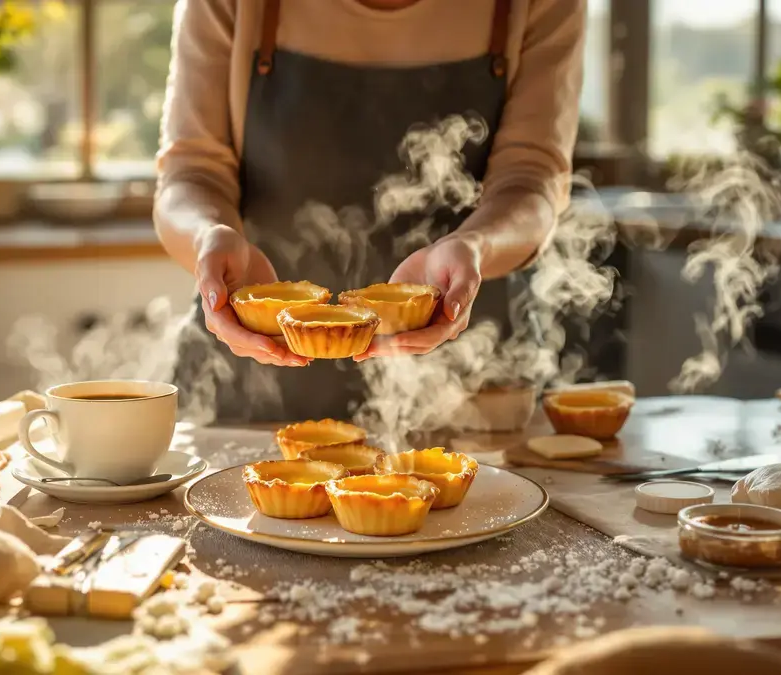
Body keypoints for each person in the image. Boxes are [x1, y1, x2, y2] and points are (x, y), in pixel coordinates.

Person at [155, 0, 585, 423]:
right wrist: (208, 234)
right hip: (249, 376)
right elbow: (190, 172)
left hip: (466, 379)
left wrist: (474, 243)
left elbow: (531, 180)